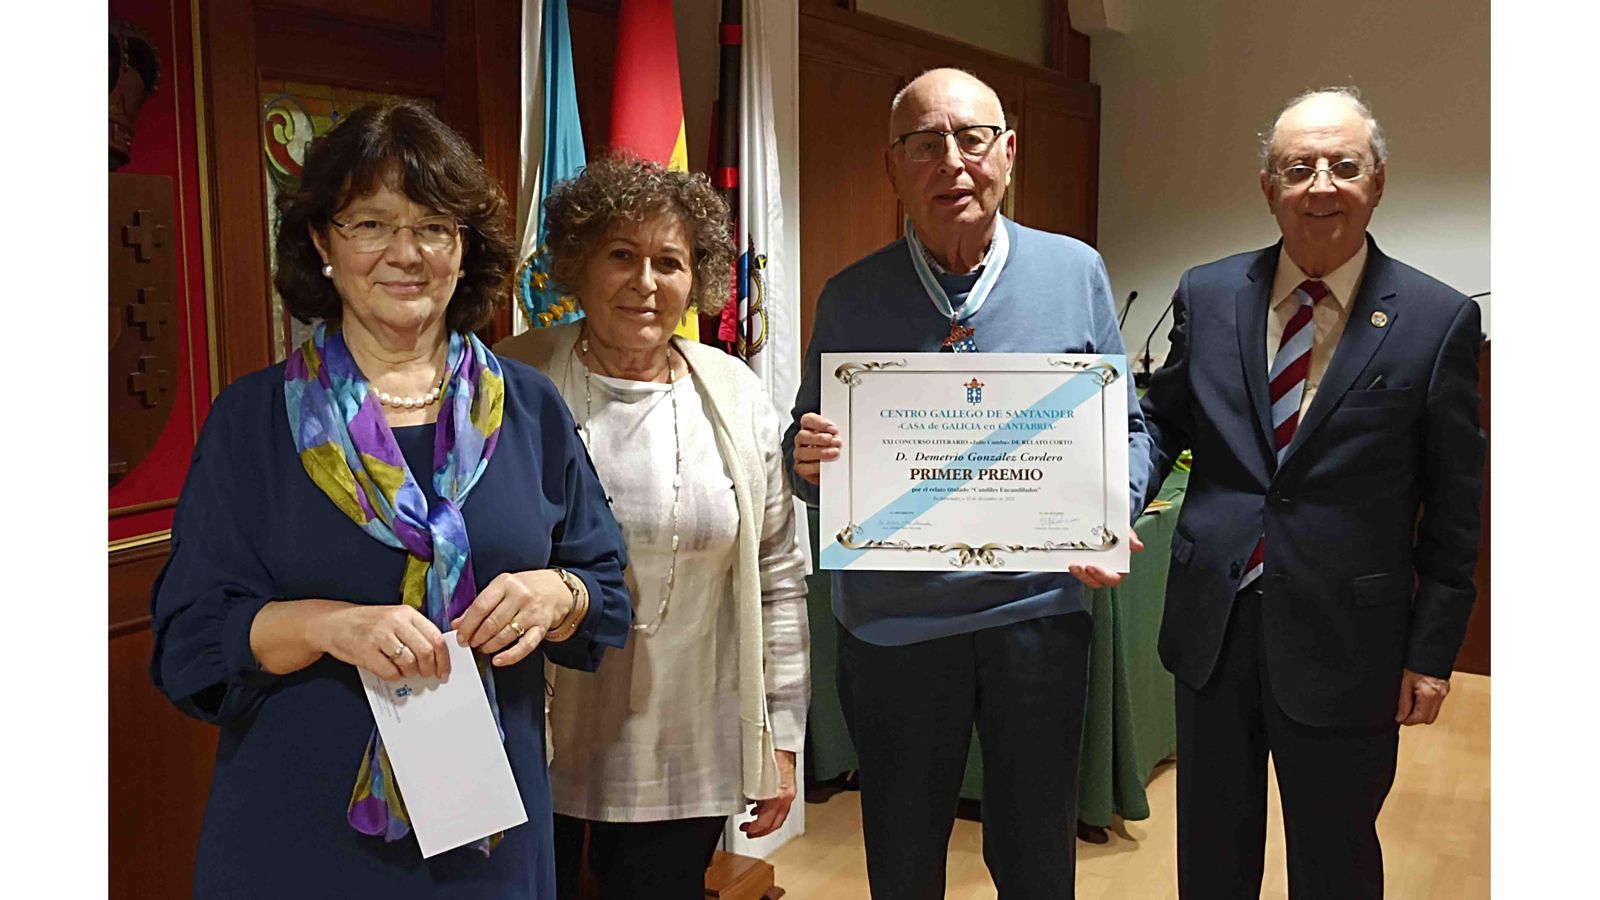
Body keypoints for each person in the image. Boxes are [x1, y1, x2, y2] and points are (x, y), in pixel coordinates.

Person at [148, 101, 632, 898]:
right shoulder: (253, 420)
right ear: (321, 242)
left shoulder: (531, 410)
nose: (405, 253)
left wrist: (559, 593)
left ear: (464, 246)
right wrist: (327, 626)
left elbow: (603, 587)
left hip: (486, 835)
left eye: (434, 226)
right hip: (299, 839)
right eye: (370, 225)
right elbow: (191, 639)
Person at [784, 68, 1151, 899]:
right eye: (923, 143)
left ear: (1008, 154)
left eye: (973, 138)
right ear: (893, 167)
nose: (951, 161)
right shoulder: (851, 297)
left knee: (1035, 857)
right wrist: (805, 463)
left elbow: (1126, 428)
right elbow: (806, 454)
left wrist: (1109, 506)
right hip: (895, 627)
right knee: (904, 856)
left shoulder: (1075, 272)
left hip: (1036, 618)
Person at [1138, 87, 1485, 899]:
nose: (1321, 185)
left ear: (1378, 181)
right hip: (1213, 629)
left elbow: (1456, 503)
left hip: (1350, 640)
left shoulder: (1437, 320)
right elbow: (1162, 425)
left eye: (1343, 166)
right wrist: (1108, 502)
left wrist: (1432, 654)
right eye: (1299, 168)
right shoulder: (1208, 294)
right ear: (1269, 188)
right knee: (1212, 858)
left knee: (1336, 859)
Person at [494, 156, 809, 900]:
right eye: (621, 255)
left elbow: (778, 576)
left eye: (669, 261)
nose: (645, 282)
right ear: (579, 264)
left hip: (686, 749)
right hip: (537, 743)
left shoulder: (735, 392)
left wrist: (783, 740)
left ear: (694, 277)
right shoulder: (512, 378)